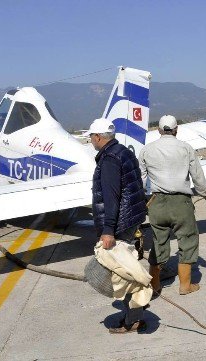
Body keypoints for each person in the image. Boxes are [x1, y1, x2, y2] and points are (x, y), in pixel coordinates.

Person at [139, 115, 206, 296]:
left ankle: (155, 286)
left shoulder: (146, 150)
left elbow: (140, 181)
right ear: (176, 130)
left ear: (158, 130)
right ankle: (185, 286)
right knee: (188, 241)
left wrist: (139, 204)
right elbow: (198, 178)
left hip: (157, 203)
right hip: (181, 203)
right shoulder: (186, 148)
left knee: (158, 244)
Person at [87, 117, 148, 333]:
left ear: (98, 137)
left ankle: (133, 319)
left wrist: (108, 229)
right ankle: (135, 314)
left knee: (122, 271)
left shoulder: (110, 159)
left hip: (120, 223)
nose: (91, 141)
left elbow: (111, 197)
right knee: (127, 267)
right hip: (130, 218)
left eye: (91, 137)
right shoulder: (123, 151)